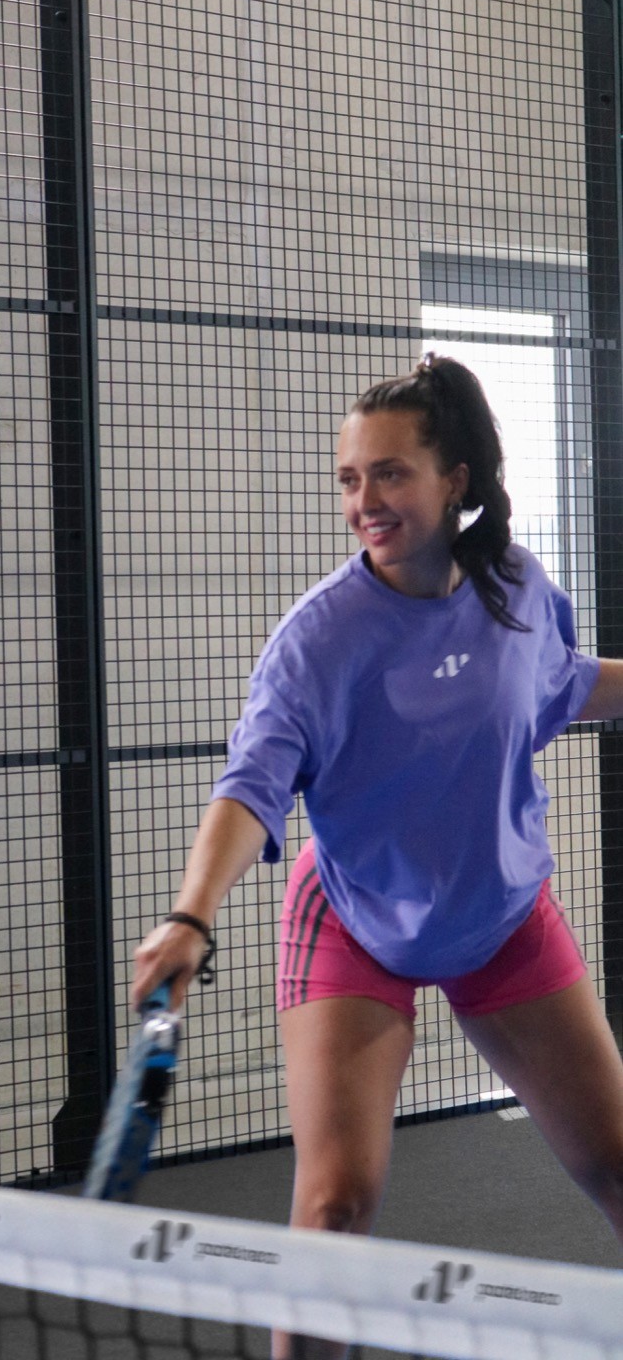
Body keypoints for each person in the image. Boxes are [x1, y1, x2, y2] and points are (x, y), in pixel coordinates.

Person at [131, 355, 623, 1360]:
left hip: (502, 914)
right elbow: (251, 785)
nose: (365, 500)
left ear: (457, 479)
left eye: (391, 473)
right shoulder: (318, 638)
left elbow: (565, 684)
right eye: (350, 478)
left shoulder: (519, 589)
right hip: (354, 918)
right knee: (335, 1205)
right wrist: (191, 912)